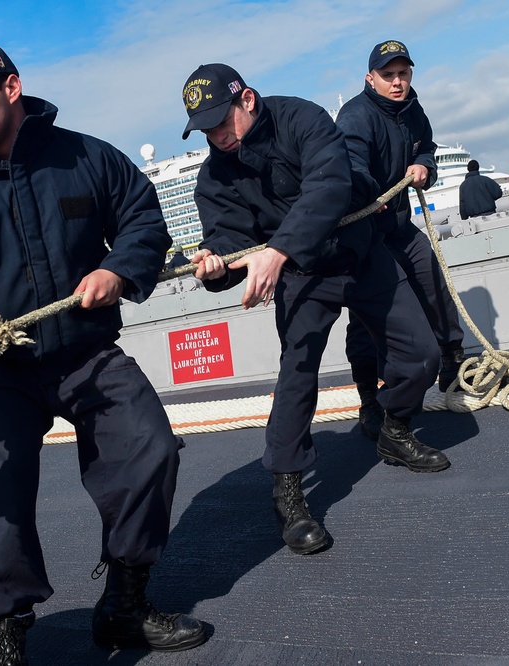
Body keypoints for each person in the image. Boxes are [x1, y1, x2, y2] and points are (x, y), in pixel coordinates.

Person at [0, 37, 208, 664]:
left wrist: (119, 268)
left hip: (85, 353)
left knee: (150, 449)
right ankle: (8, 636)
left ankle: (125, 604)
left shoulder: (86, 157)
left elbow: (141, 218)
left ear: (9, 88)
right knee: (4, 498)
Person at [180, 62, 449, 558]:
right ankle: (287, 491)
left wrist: (277, 251)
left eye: (222, 120)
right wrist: (217, 267)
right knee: (297, 377)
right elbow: (231, 242)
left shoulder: (302, 119)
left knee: (422, 354)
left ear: (248, 100)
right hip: (304, 278)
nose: (216, 136)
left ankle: (393, 429)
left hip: (359, 253)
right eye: (205, 129)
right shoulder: (214, 178)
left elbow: (330, 186)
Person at [336, 39, 467, 432]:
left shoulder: (412, 109)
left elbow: (427, 147)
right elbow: (350, 167)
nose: (397, 82)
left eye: (403, 73)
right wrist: (367, 194)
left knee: (431, 276)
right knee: (367, 316)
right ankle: (369, 397)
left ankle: (452, 358)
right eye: (388, 75)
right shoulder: (355, 116)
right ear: (370, 77)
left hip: (397, 224)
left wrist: (425, 165)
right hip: (364, 233)